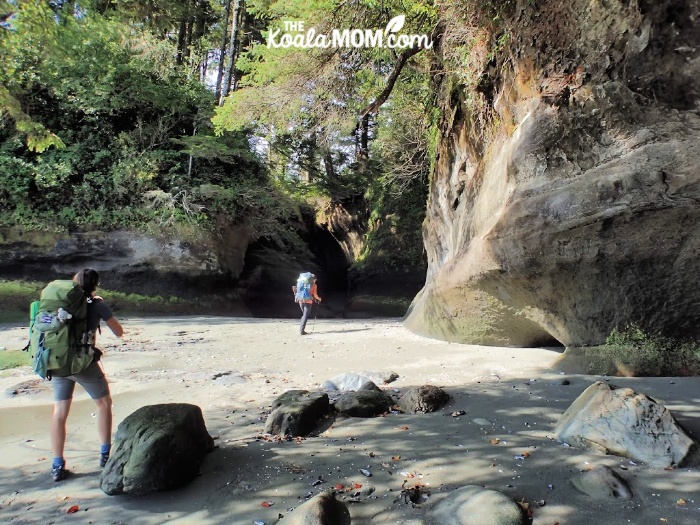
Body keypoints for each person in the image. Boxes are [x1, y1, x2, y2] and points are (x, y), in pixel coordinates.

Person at [50, 268, 123, 482]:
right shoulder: (97, 304)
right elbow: (118, 332)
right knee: (104, 404)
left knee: (59, 413)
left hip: (57, 361)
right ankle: (105, 455)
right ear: (95, 285)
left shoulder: (59, 304)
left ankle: (57, 465)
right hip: (83, 364)